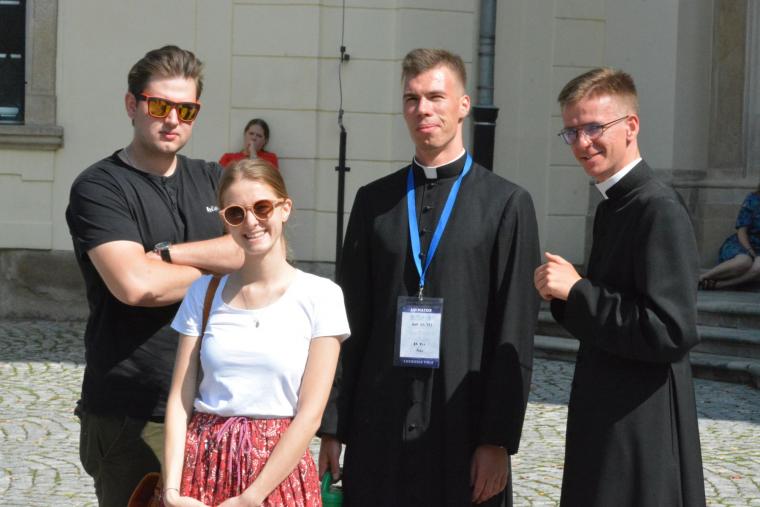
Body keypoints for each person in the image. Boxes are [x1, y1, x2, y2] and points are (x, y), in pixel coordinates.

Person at [318, 48, 541, 506]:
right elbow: (348, 320)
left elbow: (514, 332)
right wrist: (333, 427)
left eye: (436, 97)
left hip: (462, 423)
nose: (423, 109)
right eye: (412, 98)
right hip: (380, 423)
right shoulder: (373, 202)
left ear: (463, 105)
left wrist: (497, 440)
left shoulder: (507, 205)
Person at [66, 45, 243, 506]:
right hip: (134, 410)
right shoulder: (99, 187)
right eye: (160, 106)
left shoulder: (215, 179)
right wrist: (222, 268)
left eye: (187, 110)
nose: (173, 120)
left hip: (215, 405)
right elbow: (136, 286)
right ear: (132, 105)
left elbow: (255, 250)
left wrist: (167, 256)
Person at [534, 67, 706, 506]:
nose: (582, 143)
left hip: (641, 425)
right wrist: (566, 295)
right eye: (572, 132)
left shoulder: (658, 208)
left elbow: (670, 330)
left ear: (631, 126)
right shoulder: (614, 204)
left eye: (594, 127)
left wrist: (578, 292)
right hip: (611, 413)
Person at [163, 159, 349, 506]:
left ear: (284, 208)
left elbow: (310, 414)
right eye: (236, 213)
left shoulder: (321, 296)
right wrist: (172, 491)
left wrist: (251, 497)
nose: (251, 222)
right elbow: (180, 399)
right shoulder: (203, 293)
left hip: (278, 471)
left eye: (262, 207)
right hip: (204, 463)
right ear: (225, 220)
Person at [698, 186, 760, 289]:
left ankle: (720, 285)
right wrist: (749, 250)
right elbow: (742, 231)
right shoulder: (753, 199)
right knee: (743, 261)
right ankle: (702, 278)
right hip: (743, 243)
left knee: (758, 267)